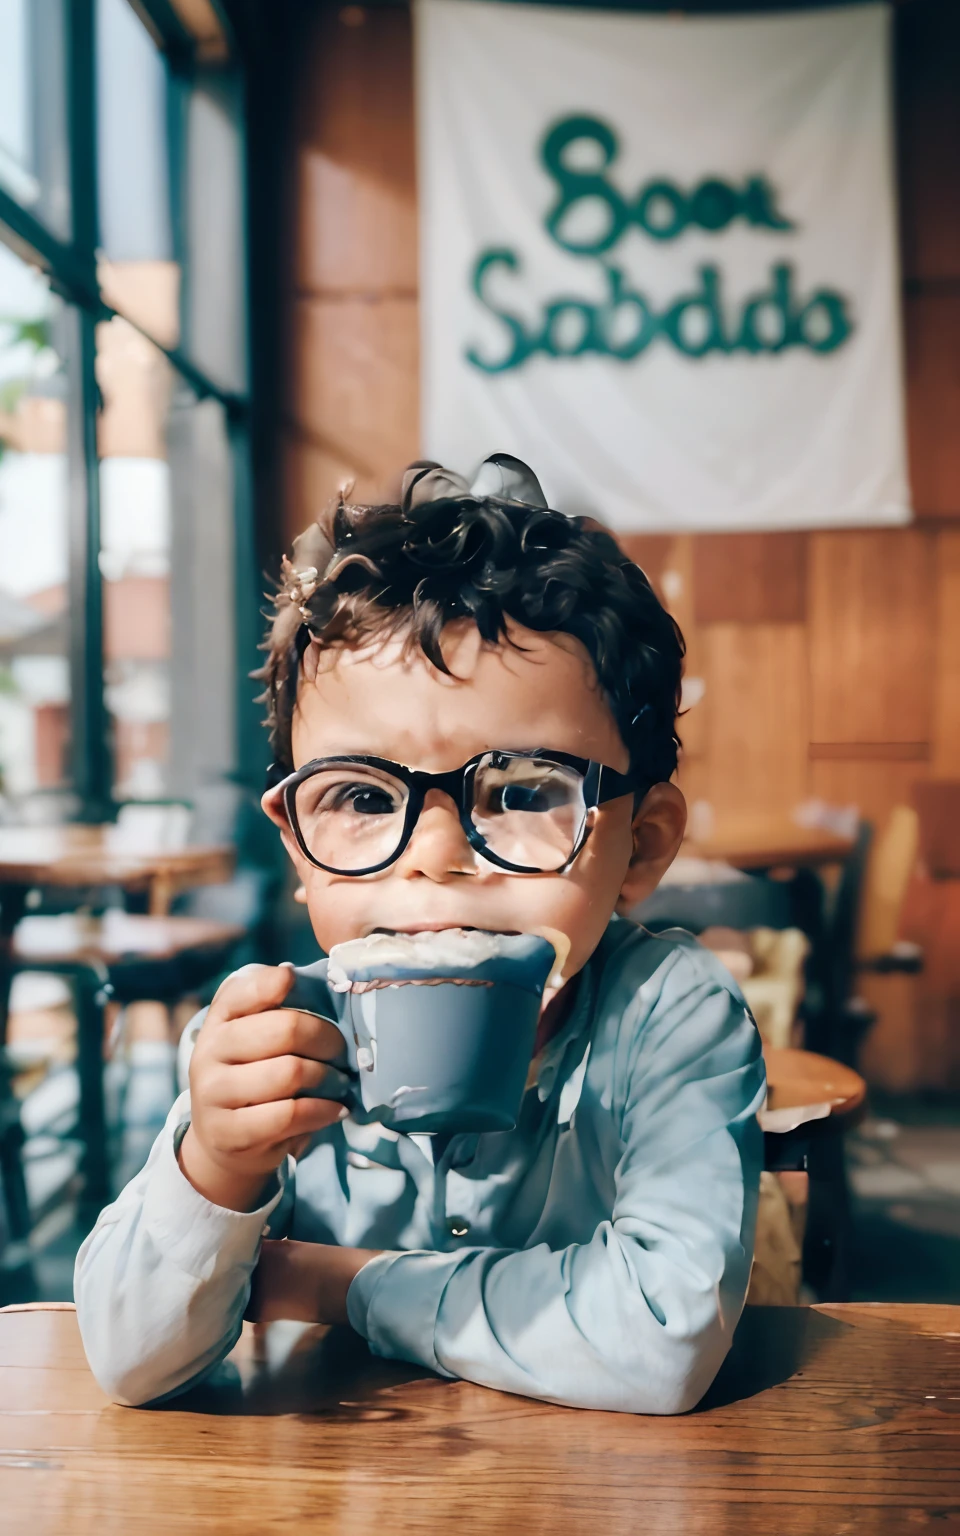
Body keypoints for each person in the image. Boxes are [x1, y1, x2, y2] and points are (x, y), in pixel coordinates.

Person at [75, 454, 765, 1413]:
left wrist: (337, 1283)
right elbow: (129, 1360)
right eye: (360, 796)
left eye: (522, 792)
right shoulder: (267, 1041)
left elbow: (661, 1334)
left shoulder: (669, 1016)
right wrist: (220, 1172)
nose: (436, 855)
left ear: (640, 847)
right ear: (300, 849)